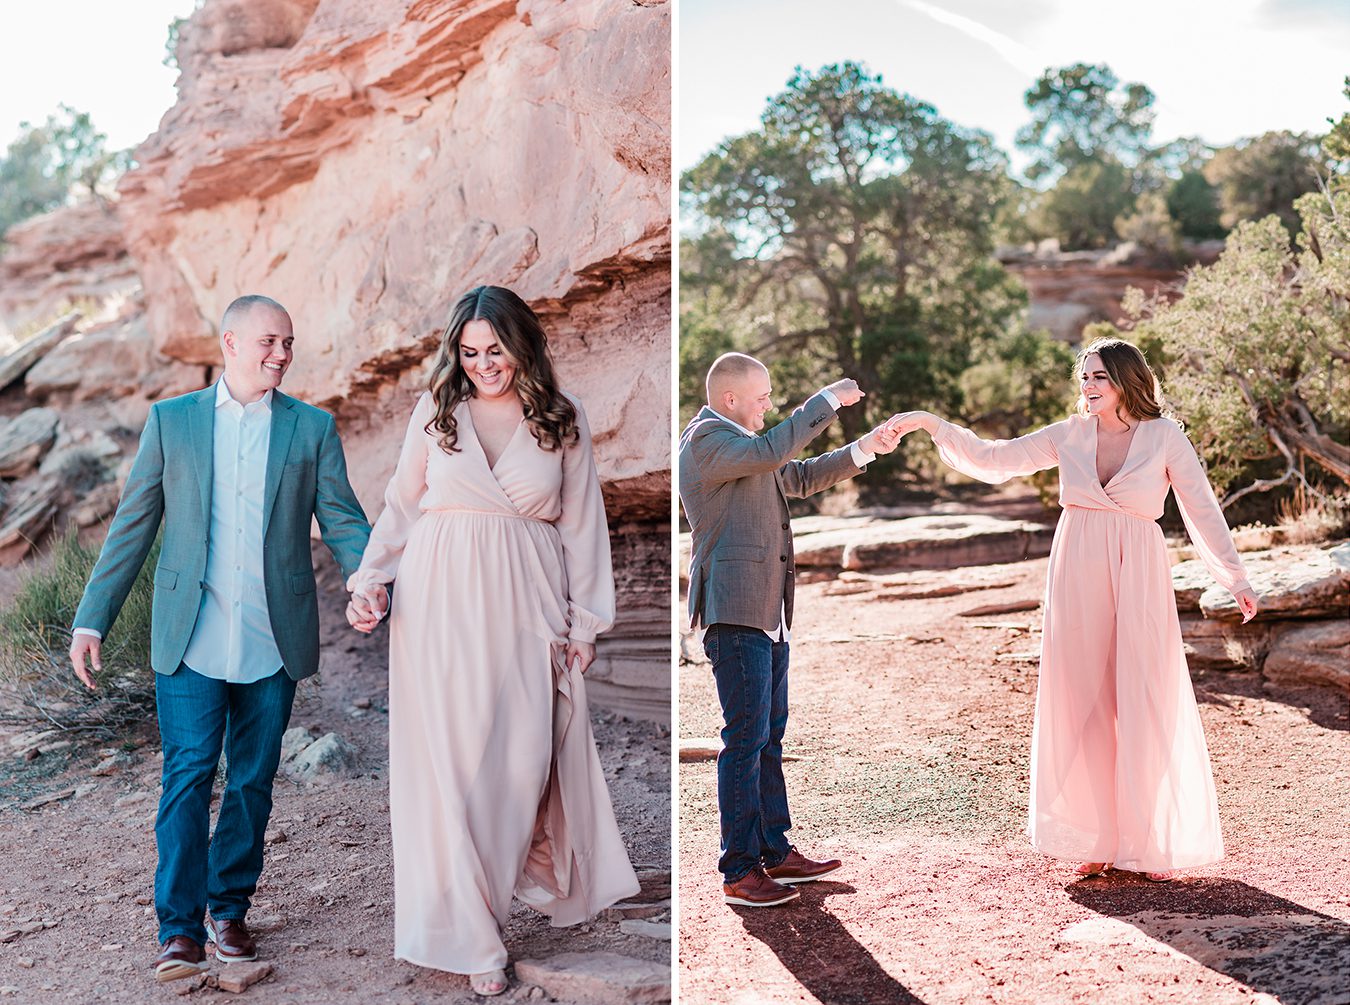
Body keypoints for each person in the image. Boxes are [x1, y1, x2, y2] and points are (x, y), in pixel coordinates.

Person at [345, 285, 638, 997]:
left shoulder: (562, 421)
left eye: (495, 351)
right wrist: (370, 579)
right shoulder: (436, 412)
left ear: (522, 346)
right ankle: (475, 937)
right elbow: (401, 506)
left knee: (515, 764)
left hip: (528, 604)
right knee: (449, 767)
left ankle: (494, 897)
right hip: (438, 606)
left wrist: (586, 623)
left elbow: (582, 527)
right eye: (469, 352)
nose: (483, 365)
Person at [68, 295, 372, 982]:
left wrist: (370, 578)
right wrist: (93, 616)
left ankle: (228, 909)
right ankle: (178, 930)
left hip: (274, 637)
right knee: (187, 776)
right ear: (230, 342)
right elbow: (132, 524)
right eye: (269, 341)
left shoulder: (312, 428)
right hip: (190, 638)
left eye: (289, 342)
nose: (282, 354)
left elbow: (345, 521)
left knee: (253, 783)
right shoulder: (171, 421)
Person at [887, 337, 1259, 881]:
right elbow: (994, 459)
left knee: (1142, 692)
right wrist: (928, 422)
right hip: (1077, 567)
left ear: (1127, 380)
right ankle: (1097, 835)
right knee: (1081, 696)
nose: (1087, 386)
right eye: (1084, 376)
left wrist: (1235, 577)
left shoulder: (1164, 435)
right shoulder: (1069, 433)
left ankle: (1148, 840)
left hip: (1139, 568)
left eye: (1099, 377)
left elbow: (1200, 507)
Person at [678, 353, 904, 908]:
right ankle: (738, 870)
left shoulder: (746, 447)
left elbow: (797, 475)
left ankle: (774, 853)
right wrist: (825, 401)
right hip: (736, 613)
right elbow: (773, 451)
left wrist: (865, 448)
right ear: (731, 399)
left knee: (768, 736)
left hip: (767, 611)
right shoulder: (709, 441)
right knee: (745, 738)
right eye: (763, 395)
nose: (769, 403)